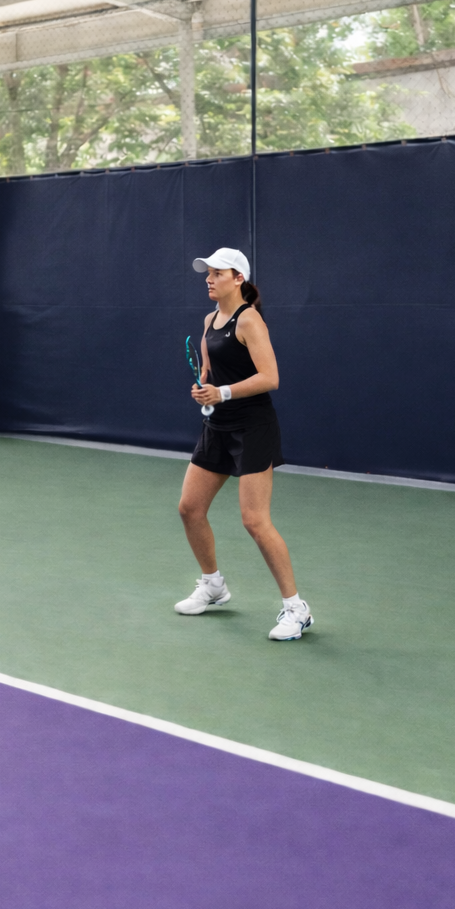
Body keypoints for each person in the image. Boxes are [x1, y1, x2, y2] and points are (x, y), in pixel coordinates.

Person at [175, 247, 313, 641]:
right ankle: (213, 585)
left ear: (238, 278)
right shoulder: (208, 319)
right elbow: (208, 370)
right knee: (189, 508)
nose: (208, 278)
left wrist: (223, 393)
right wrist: (204, 389)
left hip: (253, 427)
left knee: (254, 520)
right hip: (218, 426)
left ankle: (296, 609)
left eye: (217, 273)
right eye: (207, 273)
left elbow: (271, 377)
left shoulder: (249, 320)